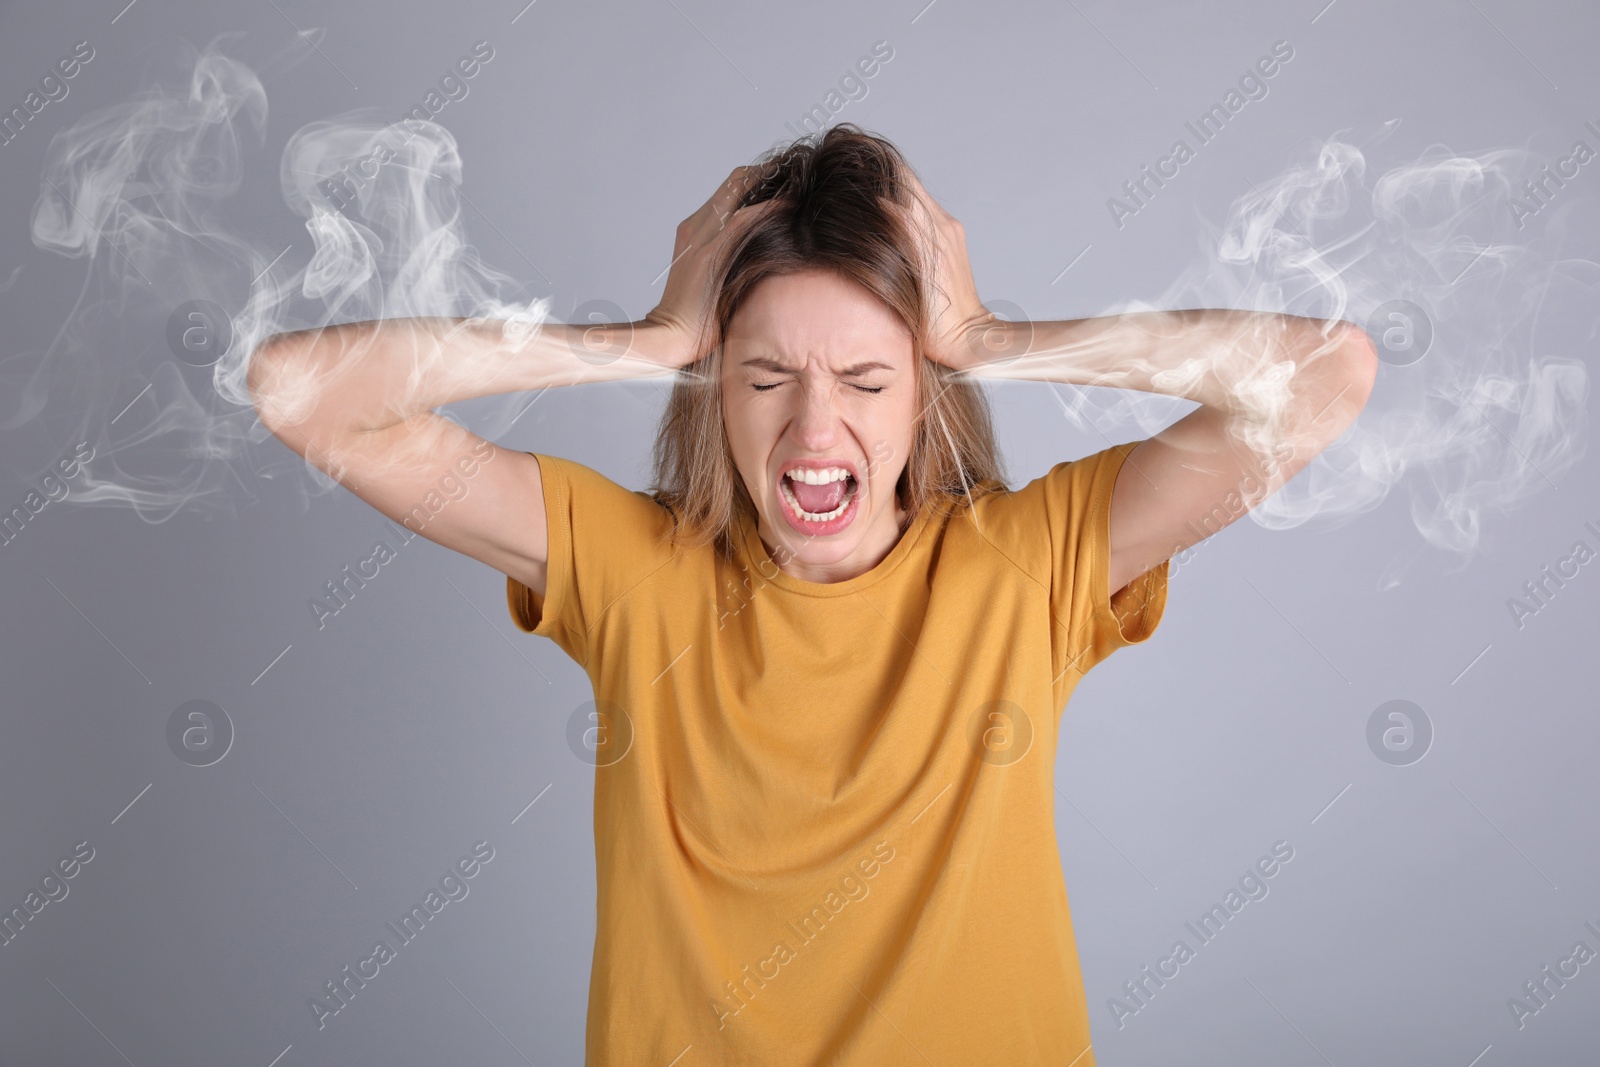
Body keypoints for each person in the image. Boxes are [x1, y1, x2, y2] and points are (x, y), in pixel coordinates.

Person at [249, 124, 1377, 1066]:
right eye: (765, 376)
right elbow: (302, 391)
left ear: (925, 398)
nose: (814, 429)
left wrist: (990, 336)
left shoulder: (1025, 563)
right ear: (715, 393)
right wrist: (645, 341)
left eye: (867, 378)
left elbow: (1327, 373)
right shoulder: (633, 570)